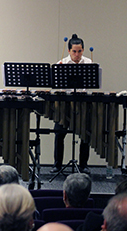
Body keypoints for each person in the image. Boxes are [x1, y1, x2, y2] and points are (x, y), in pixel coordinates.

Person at [50, 34, 92, 174]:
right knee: (59, 133)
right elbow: (55, 86)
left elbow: (93, 84)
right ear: (69, 51)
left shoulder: (89, 64)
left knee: (85, 135)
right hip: (65, 104)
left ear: (83, 50)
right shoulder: (61, 64)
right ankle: (57, 165)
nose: (77, 54)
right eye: (74, 51)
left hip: (82, 103)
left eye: (80, 51)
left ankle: (83, 165)